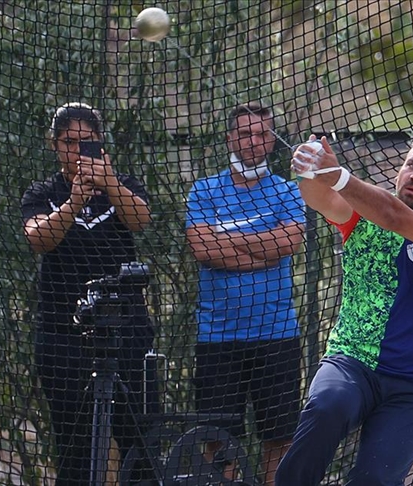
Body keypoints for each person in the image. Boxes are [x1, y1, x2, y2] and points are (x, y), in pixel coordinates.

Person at [275, 131, 413, 486]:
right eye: (412, 166)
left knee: (375, 477)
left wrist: (338, 175)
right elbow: (323, 200)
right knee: (327, 407)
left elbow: (393, 217)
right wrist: (309, 169)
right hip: (354, 358)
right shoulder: (366, 210)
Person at [21, 102, 153, 485]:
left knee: (138, 441)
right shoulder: (42, 192)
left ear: (101, 143)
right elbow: (38, 239)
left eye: (88, 141)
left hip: (126, 331)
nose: (78, 150)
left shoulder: (123, 184)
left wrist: (108, 181)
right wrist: (75, 200)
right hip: (64, 336)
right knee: (74, 445)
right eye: (69, 142)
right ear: (55, 145)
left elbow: (140, 220)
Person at [185, 102, 306, 486]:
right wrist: (261, 250)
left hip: (277, 335)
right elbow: (203, 250)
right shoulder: (204, 190)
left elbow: (290, 242)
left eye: (262, 134)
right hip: (218, 338)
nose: (254, 141)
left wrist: (226, 242)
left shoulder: (288, 190)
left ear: (272, 139)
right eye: (245, 133)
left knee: (280, 436)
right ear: (229, 138)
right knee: (218, 440)